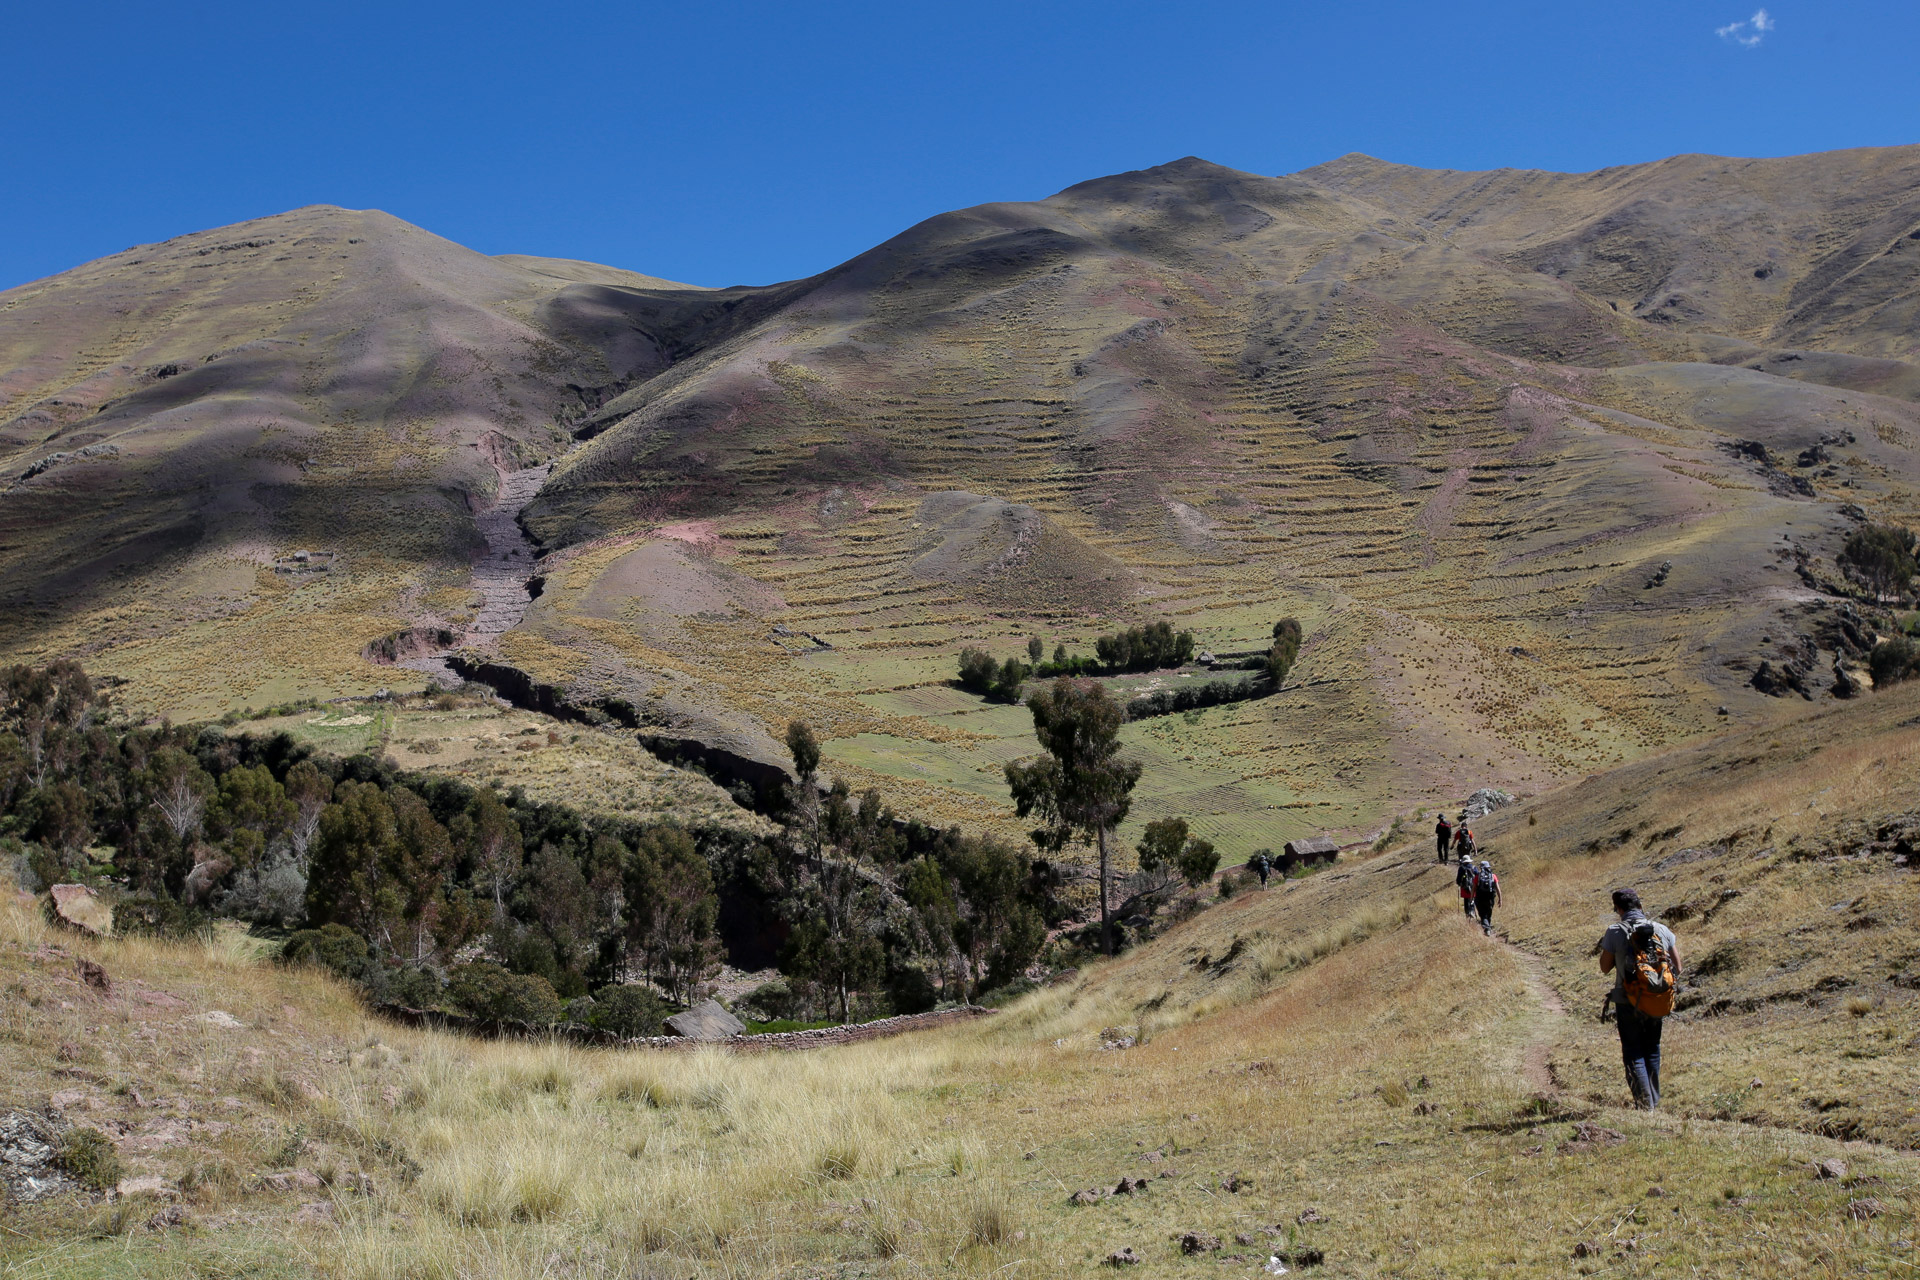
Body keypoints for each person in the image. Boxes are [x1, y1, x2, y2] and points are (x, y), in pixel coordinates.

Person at [1598, 888, 1680, 1110]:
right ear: (1641, 906)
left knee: (1633, 1050)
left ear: (1619, 909)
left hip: (1628, 1001)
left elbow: (1605, 968)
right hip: (1656, 999)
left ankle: (1645, 1106)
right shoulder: (1661, 929)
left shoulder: (1615, 931)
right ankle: (1653, 1100)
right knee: (1652, 1048)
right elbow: (1678, 967)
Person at [1472, 859, 1501, 936]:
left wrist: (1471, 898)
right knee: (1488, 913)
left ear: (1481, 868)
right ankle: (1488, 927)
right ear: (1488, 867)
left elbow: (1473, 889)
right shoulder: (1493, 876)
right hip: (1490, 898)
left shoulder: (1477, 877)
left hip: (1479, 898)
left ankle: (1487, 928)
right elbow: (1498, 888)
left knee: (1482, 914)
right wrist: (1500, 899)